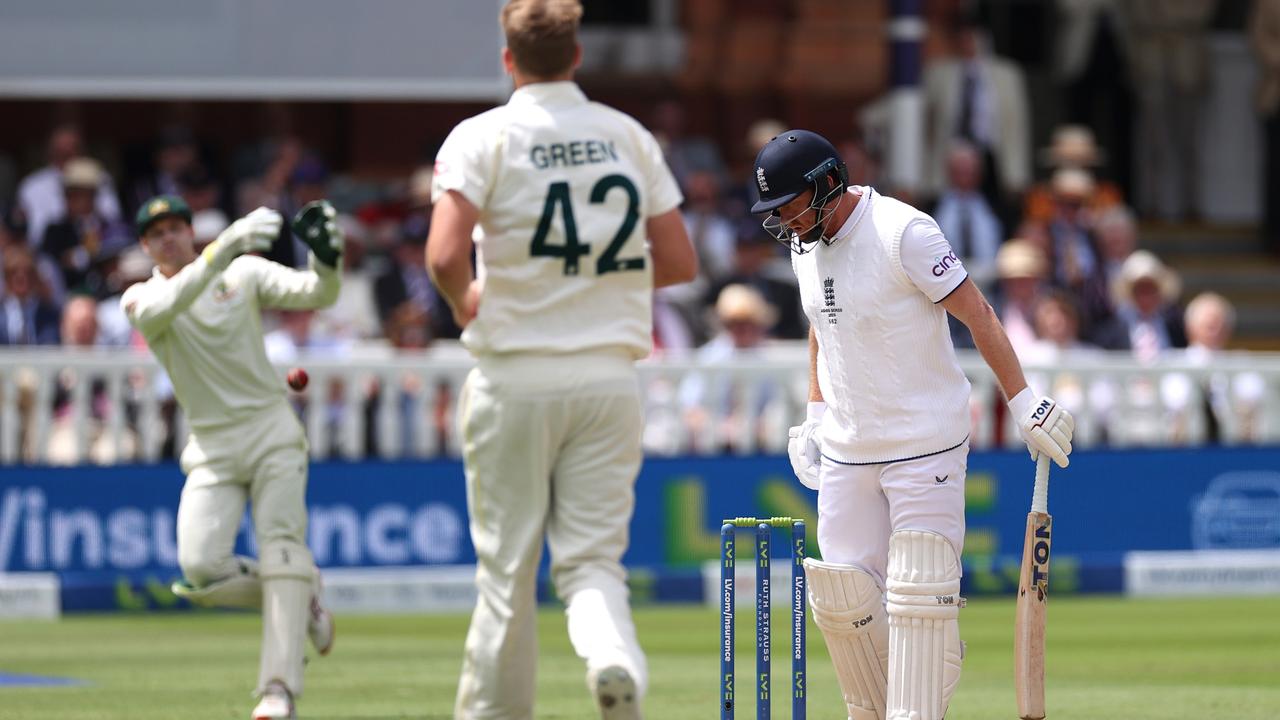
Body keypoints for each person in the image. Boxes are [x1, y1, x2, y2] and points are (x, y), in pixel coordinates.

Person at [425, 2, 696, 717]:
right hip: (609, 377)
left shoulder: (482, 137)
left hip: (515, 375)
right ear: (577, 57)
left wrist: (464, 303)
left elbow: (446, 255)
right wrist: (595, 287)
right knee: (592, 563)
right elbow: (677, 259)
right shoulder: (626, 136)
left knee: (507, 573)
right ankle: (611, 657)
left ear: (508, 59)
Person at [750, 130, 1074, 720]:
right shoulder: (804, 244)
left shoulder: (905, 232)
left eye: (790, 206)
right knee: (842, 602)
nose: (785, 223)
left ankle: (921, 692)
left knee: (919, 600)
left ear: (827, 185)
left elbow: (978, 313)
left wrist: (1023, 401)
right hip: (849, 449)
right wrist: (816, 413)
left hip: (926, 446)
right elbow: (821, 326)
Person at [122, 194, 343, 719]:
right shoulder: (139, 298)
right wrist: (220, 251)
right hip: (211, 449)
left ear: (189, 231)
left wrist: (326, 256)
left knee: (281, 546)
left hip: (271, 431)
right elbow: (164, 307)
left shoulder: (240, 272)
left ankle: (278, 691)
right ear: (145, 246)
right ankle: (301, 592)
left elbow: (321, 293)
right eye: (157, 233)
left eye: (176, 227)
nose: (169, 237)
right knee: (199, 571)